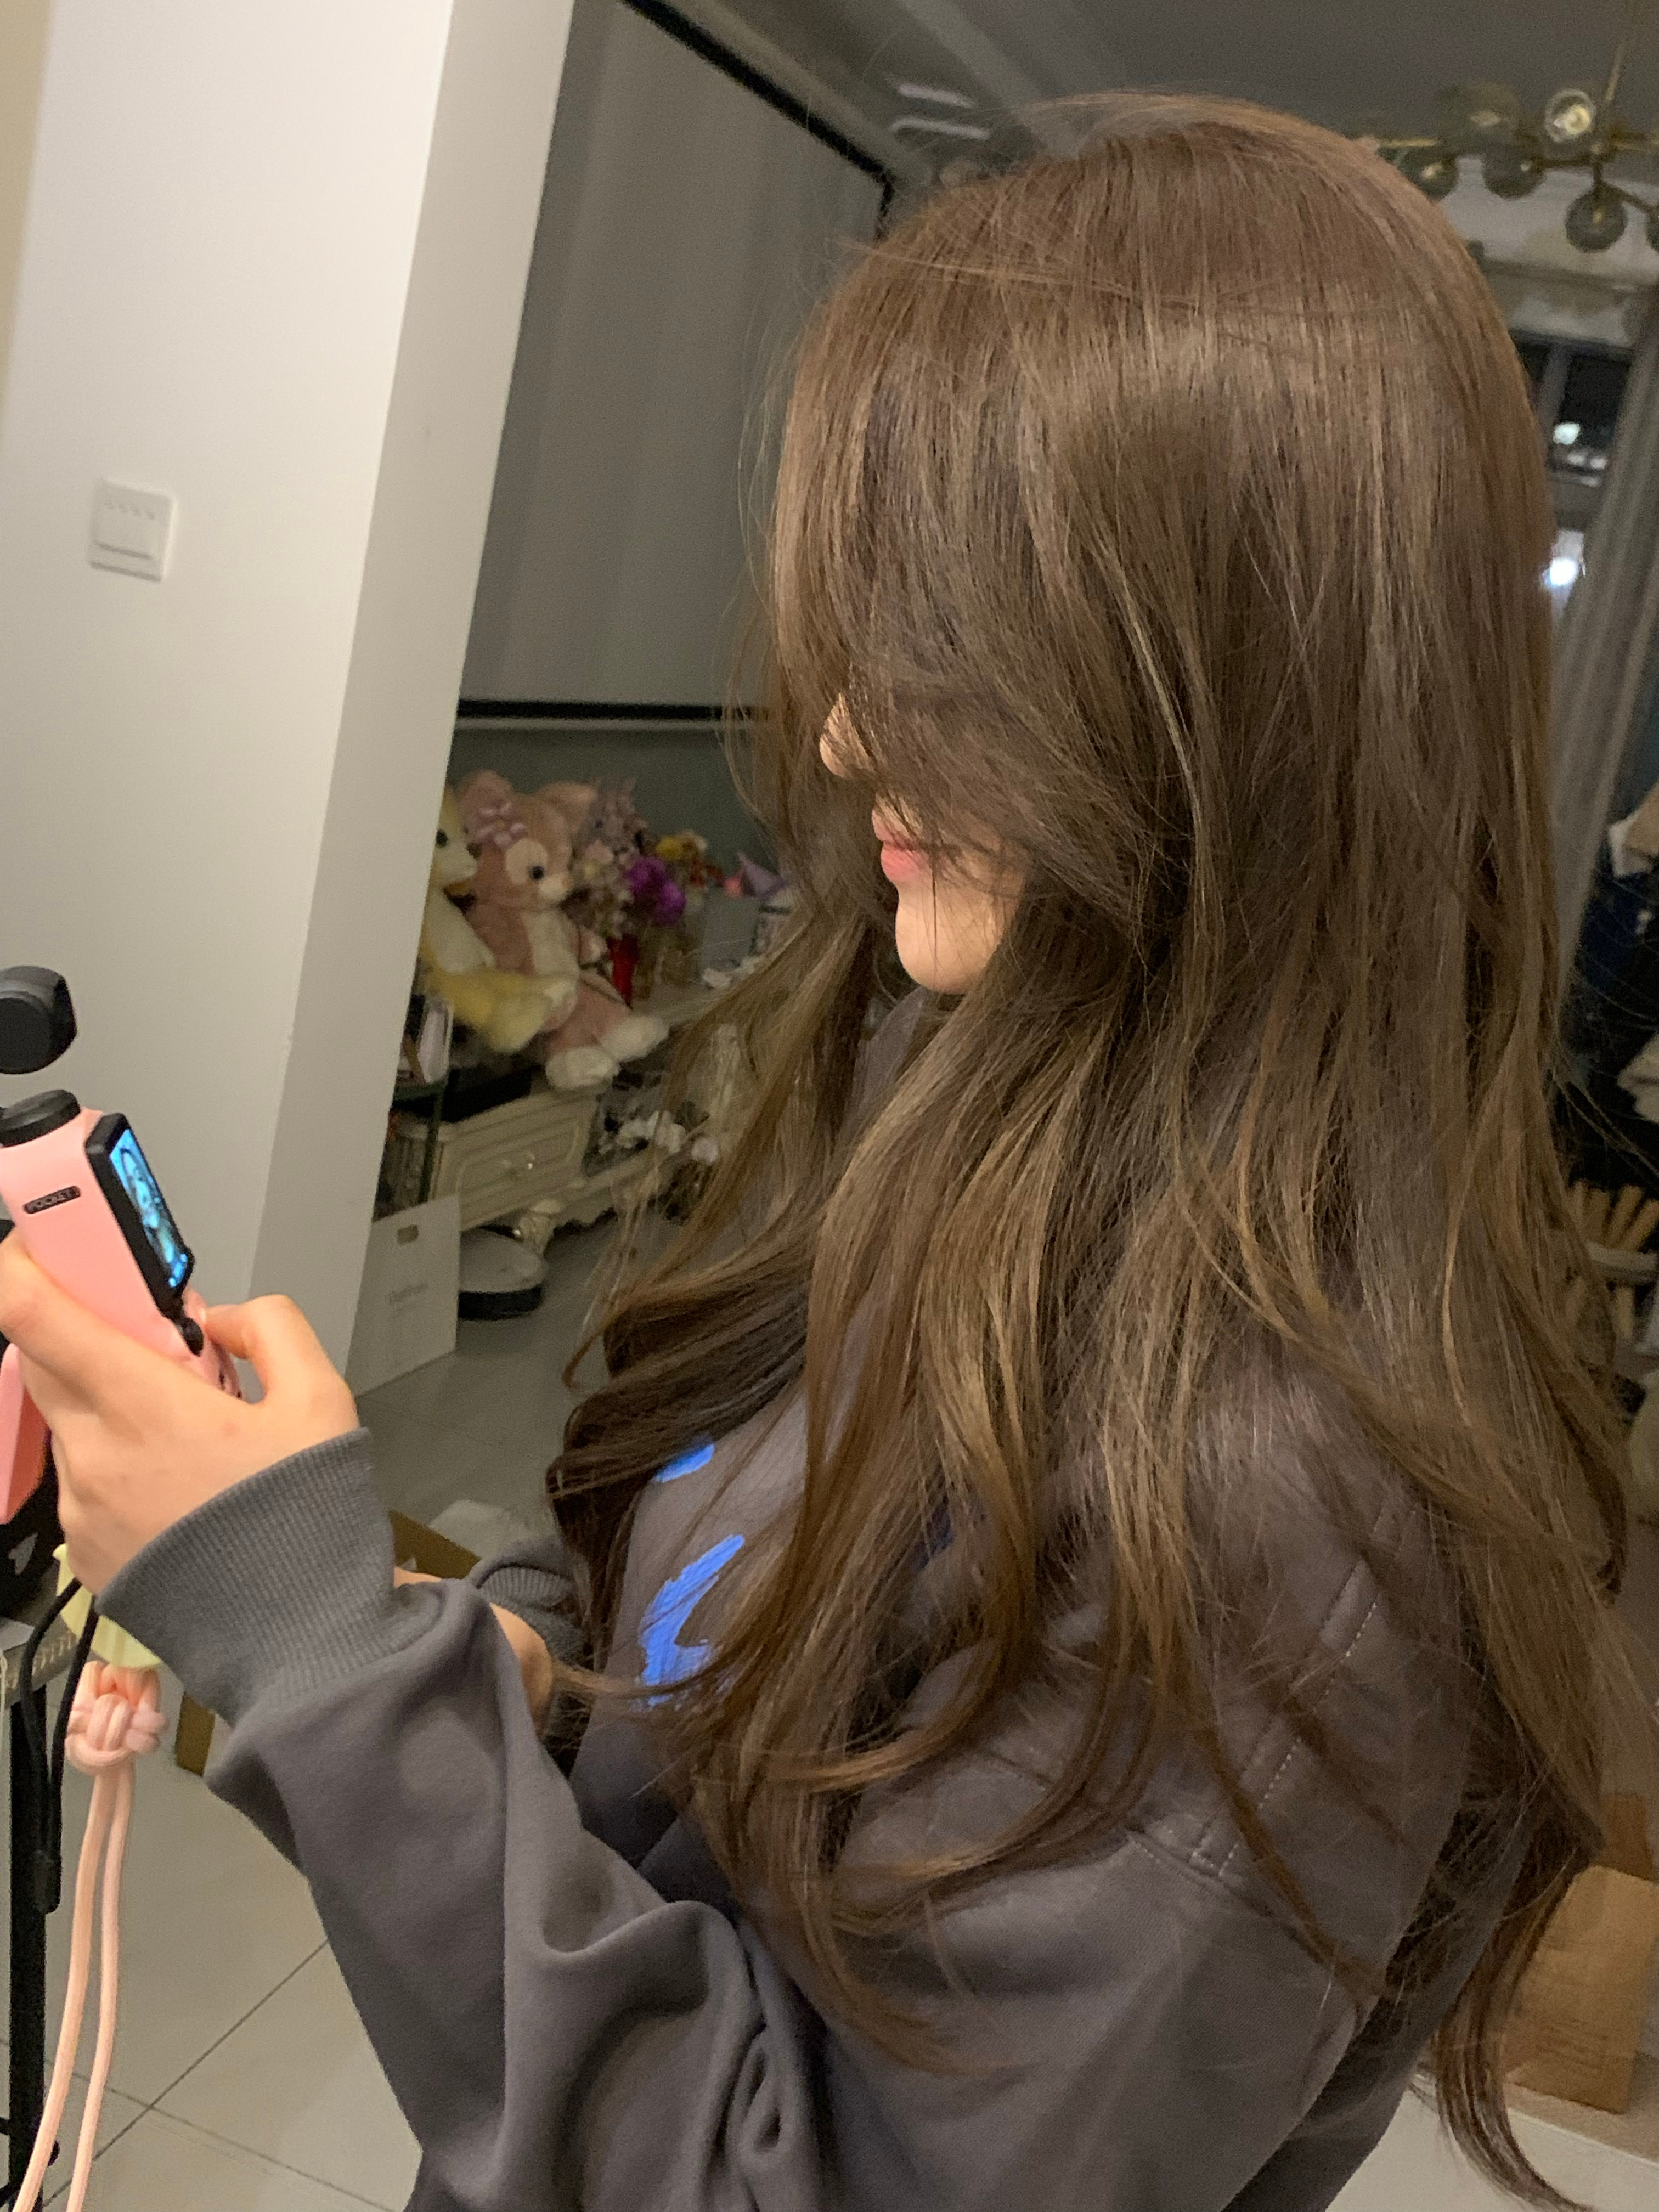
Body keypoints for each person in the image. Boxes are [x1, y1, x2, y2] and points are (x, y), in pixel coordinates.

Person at [0, 92, 1638, 2212]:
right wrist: (505, 1668)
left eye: (950, 650)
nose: (852, 733)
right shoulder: (969, 1099)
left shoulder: (1293, 1536)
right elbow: (714, 1605)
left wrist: (309, 1646)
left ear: (1222, 697)